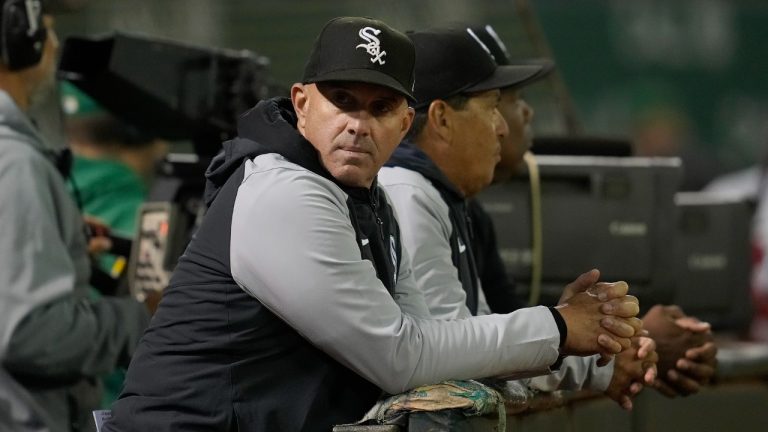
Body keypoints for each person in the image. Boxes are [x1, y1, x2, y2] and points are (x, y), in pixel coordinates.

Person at [104, 17, 642, 432]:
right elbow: (398, 357)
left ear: (405, 122)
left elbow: (433, 336)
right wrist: (557, 327)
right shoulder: (284, 192)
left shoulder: (369, 199)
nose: (358, 125)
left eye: (379, 107)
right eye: (342, 101)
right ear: (302, 104)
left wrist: (573, 337)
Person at [378, 26, 656, 410]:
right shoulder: (407, 195)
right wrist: (567, 332)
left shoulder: (436, 194)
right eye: (492, 106)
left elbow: (481, 340)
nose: (503, 127)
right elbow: (454, 360)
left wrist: (577, 334)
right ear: (441, 119)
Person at [467, 24, 717, 399]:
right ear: (441, 117)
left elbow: (499, 344)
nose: (523, 114)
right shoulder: (415, 196)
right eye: (505, 100)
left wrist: (597, 334)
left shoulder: (468, 211)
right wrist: (609, 339)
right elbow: (455, 358)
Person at [0, 2, 151, 432]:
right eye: (47, 29)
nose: (53, 45)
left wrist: (58, 249)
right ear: (20, 43)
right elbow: (30, 333)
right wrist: (144, 317)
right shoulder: (14, 163)